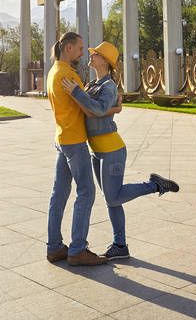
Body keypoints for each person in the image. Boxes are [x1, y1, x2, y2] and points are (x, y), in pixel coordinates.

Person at [62, 41, 180, 260]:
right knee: (111, 199)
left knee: (114, 197)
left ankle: (155, 185)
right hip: (97, 151)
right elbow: (91, 110)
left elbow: (96, 109)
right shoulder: (94, 85)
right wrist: (112, 107)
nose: (91, 56)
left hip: (112, 150)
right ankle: (120, 245)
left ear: (105, 61)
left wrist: (77, 92)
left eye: (95, 54)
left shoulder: (108, 87)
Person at [45, 32, 107, 266]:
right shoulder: (67, 74)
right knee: (86, 192)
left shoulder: (54, 71)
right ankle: (78, 250)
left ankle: (54, 247)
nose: (83, 52)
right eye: (80, 48)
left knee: (58, 194)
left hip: (62, 138)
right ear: (68, 48)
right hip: (74, 140)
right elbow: (90, 110)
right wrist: (113, 109)